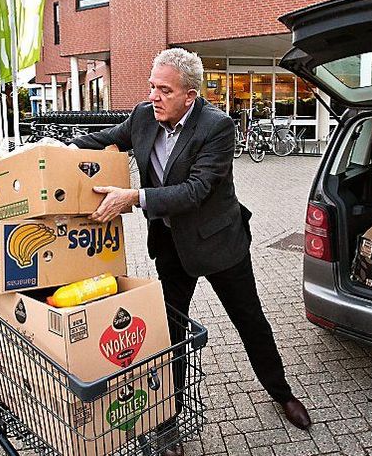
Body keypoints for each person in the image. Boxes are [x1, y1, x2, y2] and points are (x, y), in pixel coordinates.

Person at [73, 48, 311, 455]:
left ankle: (281, 391)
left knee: (249, 320)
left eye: (164, 89)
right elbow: (101, 141)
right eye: (152, 86)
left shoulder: (217, 127)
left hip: (220, 243)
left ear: (191, 95)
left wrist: (134, 196)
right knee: (170, 334)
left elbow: (197, 190)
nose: (154, 96)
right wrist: (47, 152)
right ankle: (169, 421)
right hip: (170, 246)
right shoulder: (144, 116)